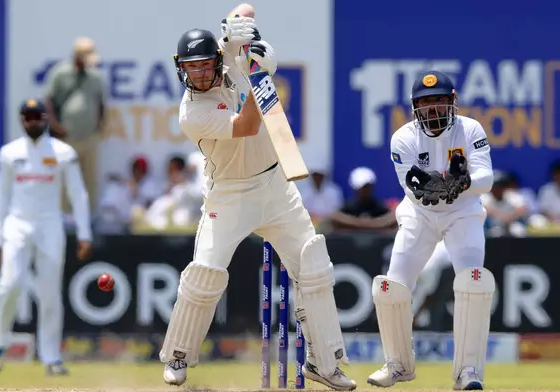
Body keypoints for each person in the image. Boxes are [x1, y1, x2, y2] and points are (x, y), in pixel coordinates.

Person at [159, 4, 355, 390]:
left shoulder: (229, 52)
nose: (197, 73)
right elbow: (248, 125)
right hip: (229, 196)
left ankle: (323, 362)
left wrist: (237, 27)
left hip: (276, 186)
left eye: (203, 64)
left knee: (314, 268)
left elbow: (244, 9)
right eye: (189, 66)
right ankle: (178, 355)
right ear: (180, 68)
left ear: (216, 58)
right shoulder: (191, 112)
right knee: (205, 274)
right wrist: (263, 73)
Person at [367, 70, 494, 390]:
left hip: (462, 212)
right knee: (392, 286)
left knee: (472, 282)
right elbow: (413, 191)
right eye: (425, 104)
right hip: (419, 215)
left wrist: (462, 183)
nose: (433, 110)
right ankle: (397, 363)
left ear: (453, 102)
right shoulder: (403, 138)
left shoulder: (470, 129)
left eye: (439, 101)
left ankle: (468, 370)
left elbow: (486, 180)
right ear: (414, 107)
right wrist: (439, 187)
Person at [0, 98, 92, 376]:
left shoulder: (62, 152)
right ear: (21, 120)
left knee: (49, 293)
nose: (33, 121)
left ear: (45, 118)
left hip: (50, 225)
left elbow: (77, 194)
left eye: (37, 116)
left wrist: (84, 233)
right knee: (10, 284)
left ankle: (51, 357)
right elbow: (3, 198)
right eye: (28, 116)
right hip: (17, 224)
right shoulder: (9, 153)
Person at [44, 37, 106, 211]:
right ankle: (63, 216)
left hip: (89, 137)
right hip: (66, 137)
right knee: (64, 179)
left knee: (89, 180)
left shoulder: (95, 77)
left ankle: (88, 217)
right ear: (77, 56)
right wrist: (55, 125)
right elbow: (49, 101)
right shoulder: (60, 73)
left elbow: (101, 103)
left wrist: (99, 126)